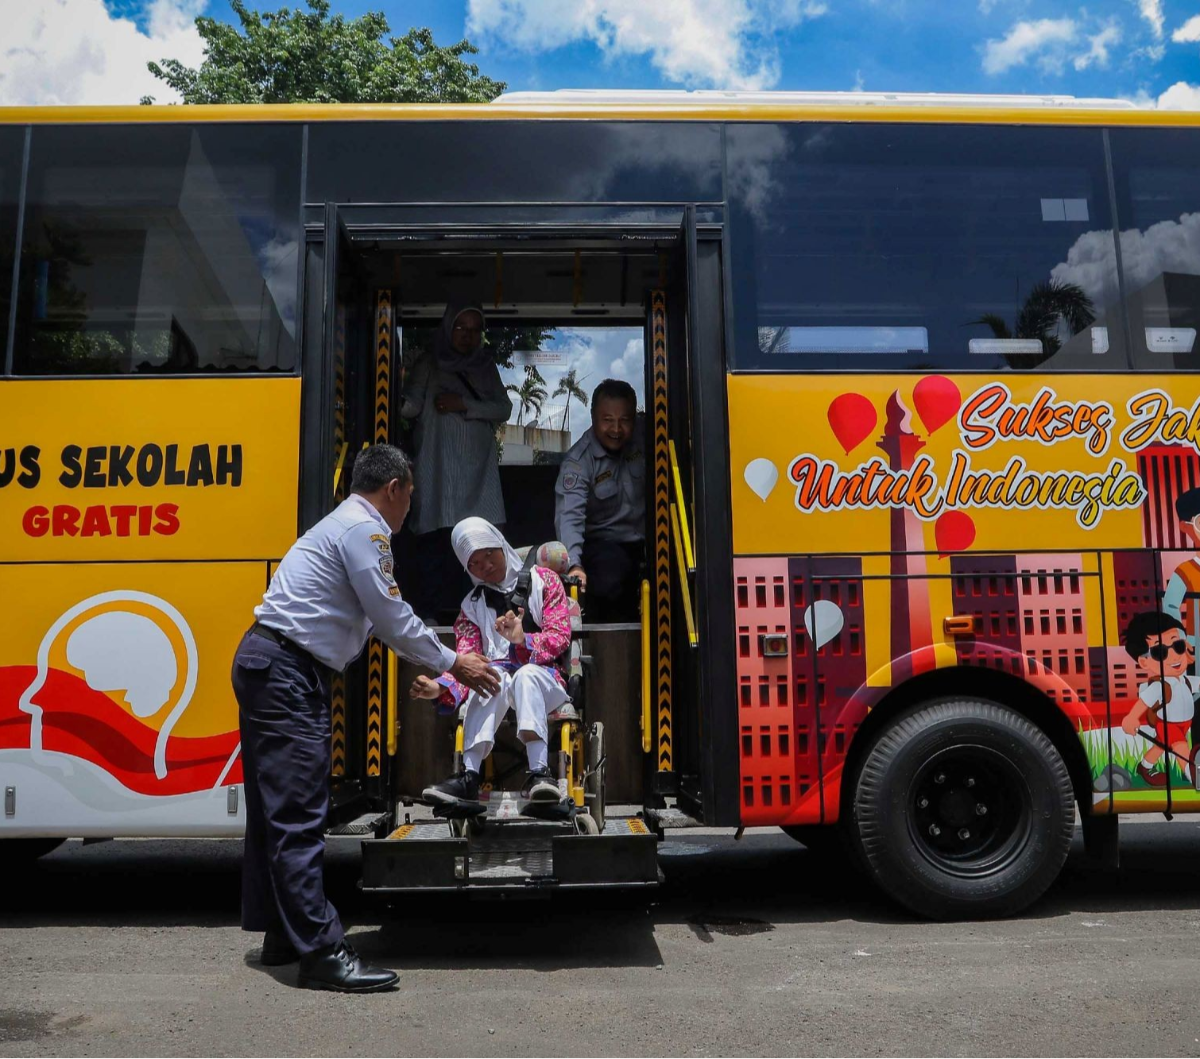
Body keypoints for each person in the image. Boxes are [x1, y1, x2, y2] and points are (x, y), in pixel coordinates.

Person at [231, 444, 500, 993]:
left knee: (273, 813)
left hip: (270, 661)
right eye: (410, 498)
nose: (409, 513)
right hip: (286, 670)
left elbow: (381, 622)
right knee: (299, 815)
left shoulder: (343, 525)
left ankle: (286, 934)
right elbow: (391, 616)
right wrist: (456, 662)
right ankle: (323, 954)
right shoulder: (365, 530)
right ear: (394, 489)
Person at [413, 517, 573, 810]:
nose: (485, 565)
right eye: (474, 563)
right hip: (500, 675)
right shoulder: (470, 607)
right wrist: (439, 687)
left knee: (526, 676)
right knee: (489, 677)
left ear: (501, 544)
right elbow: (467, 661)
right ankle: (469, 776)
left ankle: (540, 774)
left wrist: (522, 640)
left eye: (488, 553)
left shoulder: (545, 581)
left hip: (545, 678)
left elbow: (560, 636)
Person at [401, 302, 513, 622]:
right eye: (461, 328)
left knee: (479, 544)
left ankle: (478, 617)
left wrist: (462, 403)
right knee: (436, 541)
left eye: (475, 330)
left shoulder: (485, 366)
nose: (468, 336)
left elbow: (502, 409)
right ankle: (433, 614)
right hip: (438, 468)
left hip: (478, 472)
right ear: (448, 328)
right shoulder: (429, 364)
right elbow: (409, 408)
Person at [554, 379, 645, 622]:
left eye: (624, 420)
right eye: (607, 420)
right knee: (609, 579)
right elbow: (569, 517)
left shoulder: (647, 436)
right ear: (593, 416)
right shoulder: (578, 462)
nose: (616, 429)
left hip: (650, 541)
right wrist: (574, 565)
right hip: (605, 544)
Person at [1120, 611, 1199, 787]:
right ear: (1144, 662)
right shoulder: (1159, 686)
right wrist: (1131, 718)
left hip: (1184, 724)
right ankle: (1194, 776)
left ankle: (1144, 767)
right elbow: (1143, 703)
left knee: (1162, 746)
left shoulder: (1185, 680)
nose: (1174, 656)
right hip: (1169, 725)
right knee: (1180, 748)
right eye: (1160, 651)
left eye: (1178, 646)